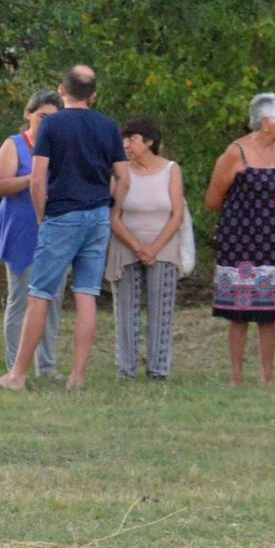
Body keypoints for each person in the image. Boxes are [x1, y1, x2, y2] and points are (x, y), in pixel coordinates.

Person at [0, 65, 127, 392]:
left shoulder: (53, 124)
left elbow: (37, 179)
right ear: (93, 95)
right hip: (97, 217)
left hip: (62, 215)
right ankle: (77, 376)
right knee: (87, 295)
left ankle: (17, 376)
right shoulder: (108, 126)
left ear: (62, 92)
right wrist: (111, 210)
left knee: (39, 295)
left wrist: (40, 216)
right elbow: (125, 177)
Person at [204, 92, 275, 385]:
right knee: (238, 312)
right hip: (240, 240)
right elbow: (213, 199)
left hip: (273, 240)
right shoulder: (235, 152)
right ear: (266, 122)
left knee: (269, 313)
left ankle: (267, 377)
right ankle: (237, 377)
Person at [105, 118, 185, 381]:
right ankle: (125, 369)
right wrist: (138, 248)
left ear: (149, 142)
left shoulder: (171, 170)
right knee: (126, 309)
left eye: (132, 139)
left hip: (163, 244)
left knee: (161, 308)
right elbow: (113, 216)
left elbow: (176, 214)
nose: (126, 145)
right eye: (124, 140)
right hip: (127, 244)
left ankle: (158, 369)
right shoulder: (120, 171)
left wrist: (154, 248)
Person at [0, 90, 64, 377]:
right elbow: (1, 185)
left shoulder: (61, 147)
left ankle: (46, 367)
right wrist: (32, 179)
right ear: (28, 114)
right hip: (21, 227)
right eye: (42, 116)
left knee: (53, 299)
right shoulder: (14, 145)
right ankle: (14, 366)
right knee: (21, 298)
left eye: (53, 119)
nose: (46, 123)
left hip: (55, 230)